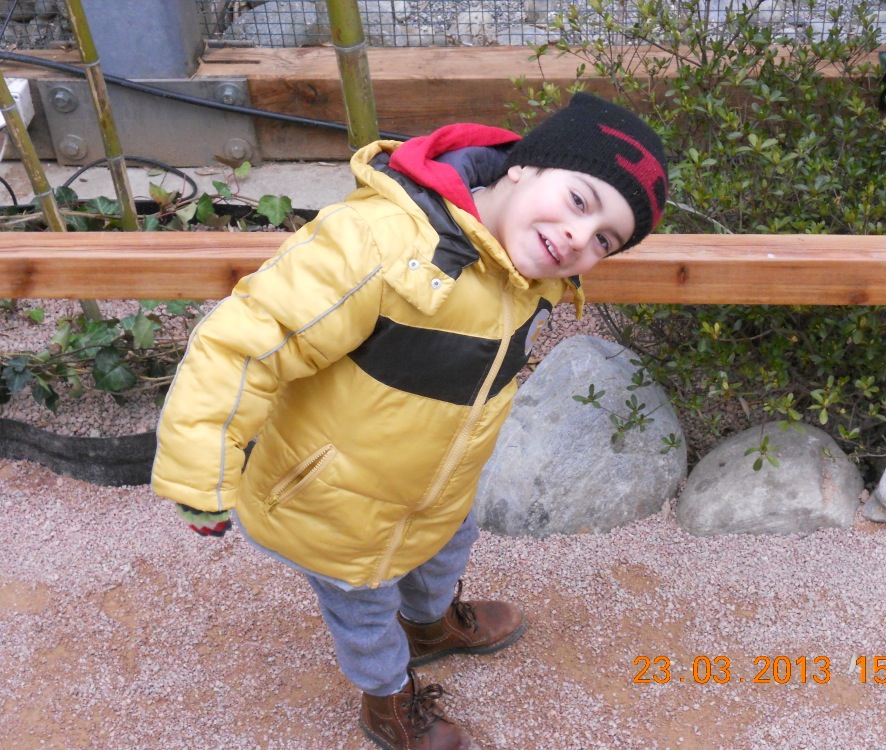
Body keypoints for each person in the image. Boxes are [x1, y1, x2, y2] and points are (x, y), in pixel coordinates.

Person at [152, 91, 669, 750]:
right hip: (336, 504)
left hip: (437, 489)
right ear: (523, 165)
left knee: (445, 548)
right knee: (364, 610)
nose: (578, 236)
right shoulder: (380, 242)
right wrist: (200, 472)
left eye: (604, 239)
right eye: (578, 200)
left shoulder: (528, 273)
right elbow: (245, 342)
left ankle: (429, 626)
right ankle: (386, 698)